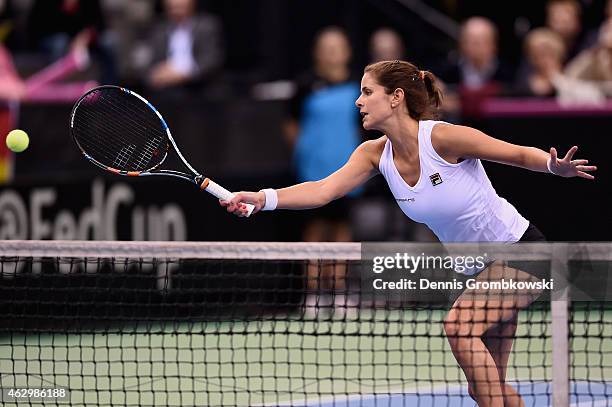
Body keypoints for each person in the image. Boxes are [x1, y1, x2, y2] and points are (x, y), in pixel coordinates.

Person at [220, 60, 597, 406]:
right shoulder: (373, 155)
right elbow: (322, 190)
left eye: (368, 92)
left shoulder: (442, 139)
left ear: (396, 97)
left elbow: (514, 153)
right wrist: (263, 198)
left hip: (521, 253)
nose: (358, 101)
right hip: (477, 270)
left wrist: (552, 165)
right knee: (486, 387)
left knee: (459, 327)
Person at [284, 26, 362, 317]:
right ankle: (314, 296)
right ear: (317, 52)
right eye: (326, 47)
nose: (331, 53)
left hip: (348, 170)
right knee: (314, 230)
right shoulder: (304, 85)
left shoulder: (359, 86)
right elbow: (291, 125)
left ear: (347, 52)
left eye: (337, 47)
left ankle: (339, 292)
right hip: (312, 170)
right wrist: (304, 154)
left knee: (341, 230)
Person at [146, 0, 223, 94]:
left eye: (180, 6)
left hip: (200, 87)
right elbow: (149, 60)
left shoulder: (207, 26)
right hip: (165, 87)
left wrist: (184, 73)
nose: (176, 11)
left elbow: (212, 59)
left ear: (192, 4)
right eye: (173, 7)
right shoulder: (159, 29)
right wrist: (155, 73)